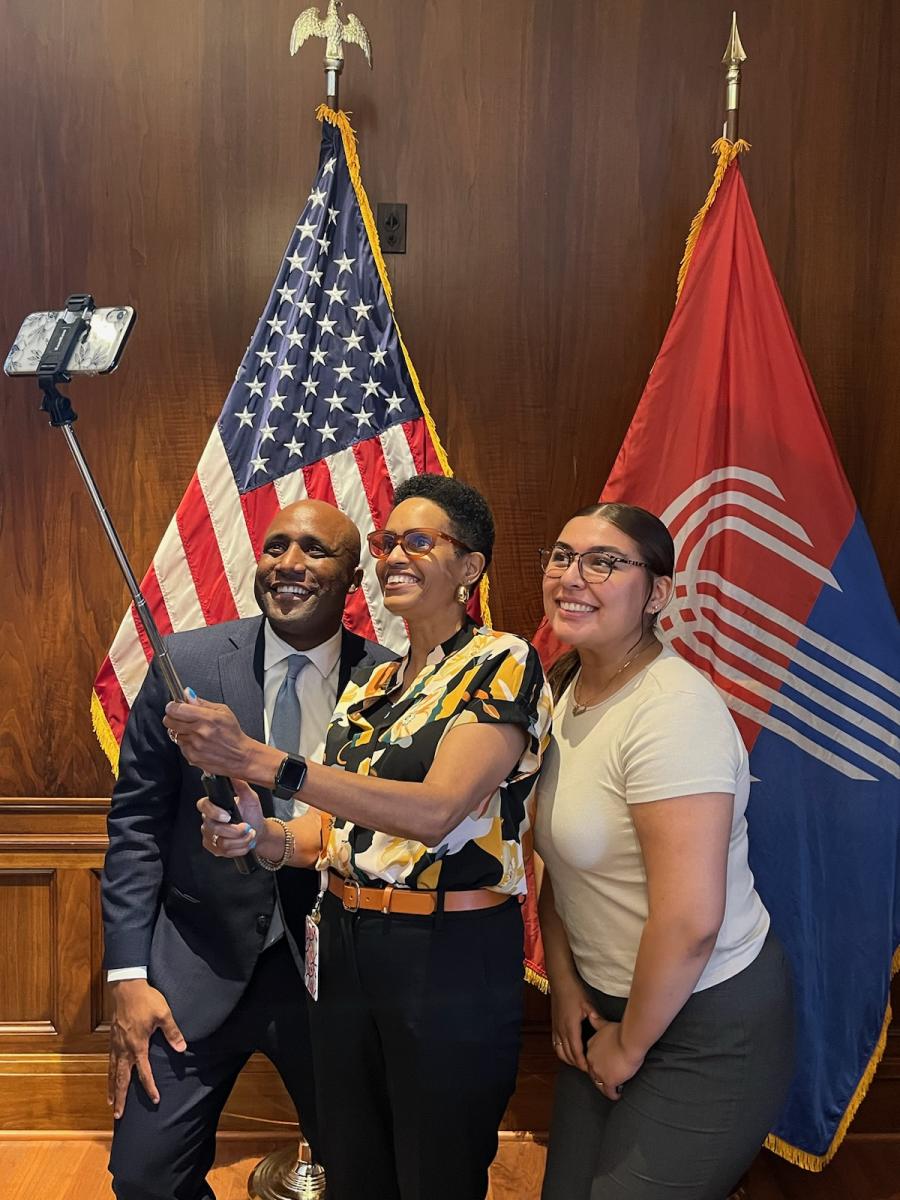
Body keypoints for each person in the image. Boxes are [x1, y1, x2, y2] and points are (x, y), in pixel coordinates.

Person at [165, 474, 554, 1200]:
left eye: (418, 541)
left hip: (447, 958)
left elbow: (436, 811)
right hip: (342, 945)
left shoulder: (500, 660)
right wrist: (262, 835)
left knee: (433, 1173)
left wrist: (262, 759)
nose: (392, 556)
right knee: (356, 1170)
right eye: (385, 542)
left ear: (470, 567)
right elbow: (331, 835)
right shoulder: (373, 684)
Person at [101, 499, 393, 1200]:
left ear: (354, 578)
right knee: (144, 1180)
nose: (289, 563)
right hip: (192, 968)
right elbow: (136, 824)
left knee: (367, 1178)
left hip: (337, 976)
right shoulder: (185, 663)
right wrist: (127, 977)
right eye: (275, 546)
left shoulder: (393, 682)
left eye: (316, 551)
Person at [533, 502, 795, 1200]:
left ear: (658, 593)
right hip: (604, 1002)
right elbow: (559, 861)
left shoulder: (674, 711)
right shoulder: (565, 686)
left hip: (705, 1023)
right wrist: (564, 981)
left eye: (604, 561)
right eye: (561, 556)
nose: (571, 576)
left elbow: (690, 921)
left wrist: (632, 1044)